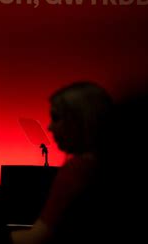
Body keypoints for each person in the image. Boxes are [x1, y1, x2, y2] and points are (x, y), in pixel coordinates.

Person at [10, 81, 113, 244]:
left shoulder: (77, 171)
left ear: (82, 120)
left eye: (57, 118)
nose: (50, 127)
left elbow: (38, 237)